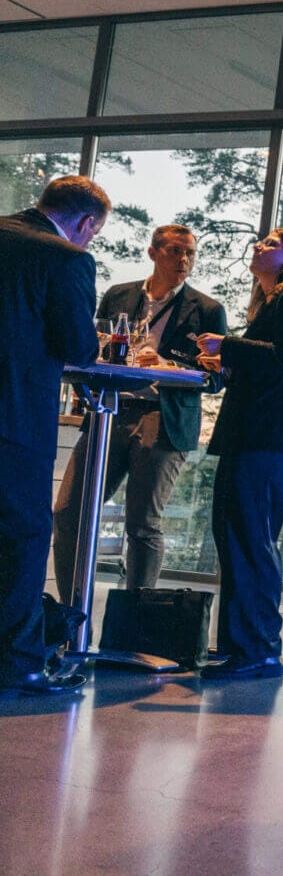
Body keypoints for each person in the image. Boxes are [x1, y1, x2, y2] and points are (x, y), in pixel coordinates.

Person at [52, 224, 227, 603]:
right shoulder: (118, 295)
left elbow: (216, 380)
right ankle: (68, 615)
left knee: (142, 525)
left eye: (190, 253)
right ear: (153, 253)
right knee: (67, 513)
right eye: (175, 251)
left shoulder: (208, 310)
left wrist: (166, 367)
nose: (184, 260)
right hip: (108, 411)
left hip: (162, 417)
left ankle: (133, 622)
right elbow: (89, 348)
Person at [192, 229, 283, 681]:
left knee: (251, 542)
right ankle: (240, 646)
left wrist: (226, 345)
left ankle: (260, 650)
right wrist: (227, 364)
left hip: (269, 440)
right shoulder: (274, 302)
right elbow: (271, 365)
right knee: (238, 539)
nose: (258, 246)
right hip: (257, 437)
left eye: (271, 243)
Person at [0, 176, 107, 695]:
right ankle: (19, 664)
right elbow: (78, 348)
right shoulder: (66, 258)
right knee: (22, 535)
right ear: (86, 223)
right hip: (13, 416)